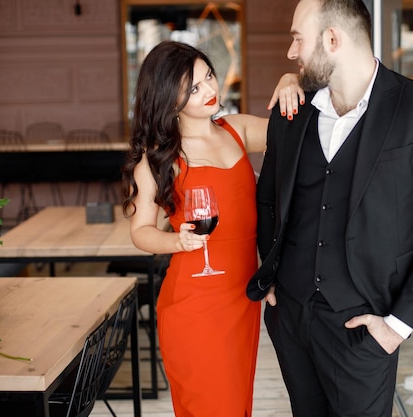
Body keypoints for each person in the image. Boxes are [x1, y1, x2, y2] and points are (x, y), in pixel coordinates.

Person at [246, 0, 413, 416]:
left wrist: (395, 327)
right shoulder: (292, 112)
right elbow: (269, 198)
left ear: (332, 39)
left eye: (298, 39)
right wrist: (271, 275)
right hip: (291, 317)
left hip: (365, 328)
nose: (291, 53)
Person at [122, 40, 302, 417]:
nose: (210, 91)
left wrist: (290, 80)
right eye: (193, 88)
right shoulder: (159, 157)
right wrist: (177, 240)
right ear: (169, 98)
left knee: (235, 406)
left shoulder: (236, 130)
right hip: (194, 305)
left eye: (209, 77)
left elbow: (299, 130)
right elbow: (140, 232)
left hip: (243, 298)